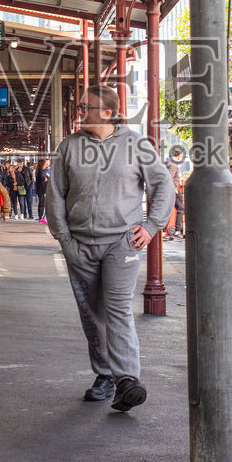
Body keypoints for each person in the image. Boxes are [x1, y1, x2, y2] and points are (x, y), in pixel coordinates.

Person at [46, 84, 173, 412]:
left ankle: (127, 379)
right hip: (79, 244)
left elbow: (163, 186)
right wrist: (65, 239)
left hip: (123, 242)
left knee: (116, 309)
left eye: (85, 107)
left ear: (106, 112)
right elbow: (55, 195)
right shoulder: (68, 148)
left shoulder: (136, 145)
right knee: (92, 313)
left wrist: (151, 226)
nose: (79, 112)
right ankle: (104, 375)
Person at [34, 158, 49, 225]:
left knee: (42, 203)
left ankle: (41, 217)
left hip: (42, 189)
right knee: (42, 203)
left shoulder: (43, 170)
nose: (48, 164)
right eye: (47, 163)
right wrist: (46, 179)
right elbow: (42, 179)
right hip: (42, 189)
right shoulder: (41, 171)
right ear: (43, 163)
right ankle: (41, 217)